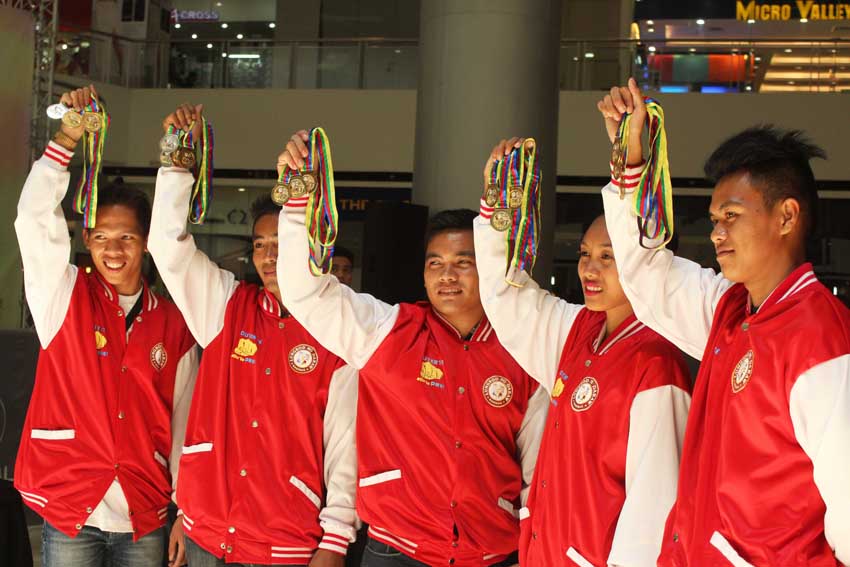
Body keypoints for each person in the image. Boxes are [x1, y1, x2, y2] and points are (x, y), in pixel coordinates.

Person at [599, 79, 850, 565]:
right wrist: (631, 163)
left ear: (786, 216)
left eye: (732, 215)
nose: (716, 233)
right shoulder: (732, 313)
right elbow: (648, 276)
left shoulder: (822, 340)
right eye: (714, 219)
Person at [276, 131, 548, 567]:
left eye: (464, 263)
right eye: (435, 263)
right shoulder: (390, 332)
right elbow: (305, 293)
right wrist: (294, 205)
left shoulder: (523, 348)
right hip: (395, 549)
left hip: (492, 553)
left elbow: (538, 471)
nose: (447, 276)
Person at [147, 106, 358, 567]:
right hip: (207, 532)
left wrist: (336, 538)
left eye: (281, 245)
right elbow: (166, 247)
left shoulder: (339, 325)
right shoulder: (226, 305)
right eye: (260, 245)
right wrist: (177, 165)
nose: (268, 257)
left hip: (283, 537)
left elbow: (346, 441)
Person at [474, 138, 691, 567]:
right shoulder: (581, 329)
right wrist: (494, 213)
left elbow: (654, 502)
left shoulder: (658, 362)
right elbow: (506, 298)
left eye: (608, 257)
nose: (590, 270)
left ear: (643, 258)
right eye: (585, 255)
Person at [14, 85, 198, 567]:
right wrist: (67, 138)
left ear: (147, 242)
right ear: (86, 242)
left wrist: (185, 510)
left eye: (127, 237)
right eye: (99, 237)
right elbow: (33, 220)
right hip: (71, 503)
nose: (112, 251)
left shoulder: (174, 322)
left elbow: (182, 426)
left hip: (145, 512)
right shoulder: (64, 294)